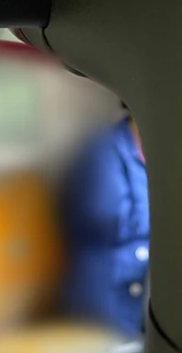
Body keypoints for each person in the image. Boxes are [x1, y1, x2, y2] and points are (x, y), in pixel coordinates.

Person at [61, 105, 149, 336]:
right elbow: (109, 218)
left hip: (141, 295)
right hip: (104, 298)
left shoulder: (164, 154)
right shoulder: (105, 150)